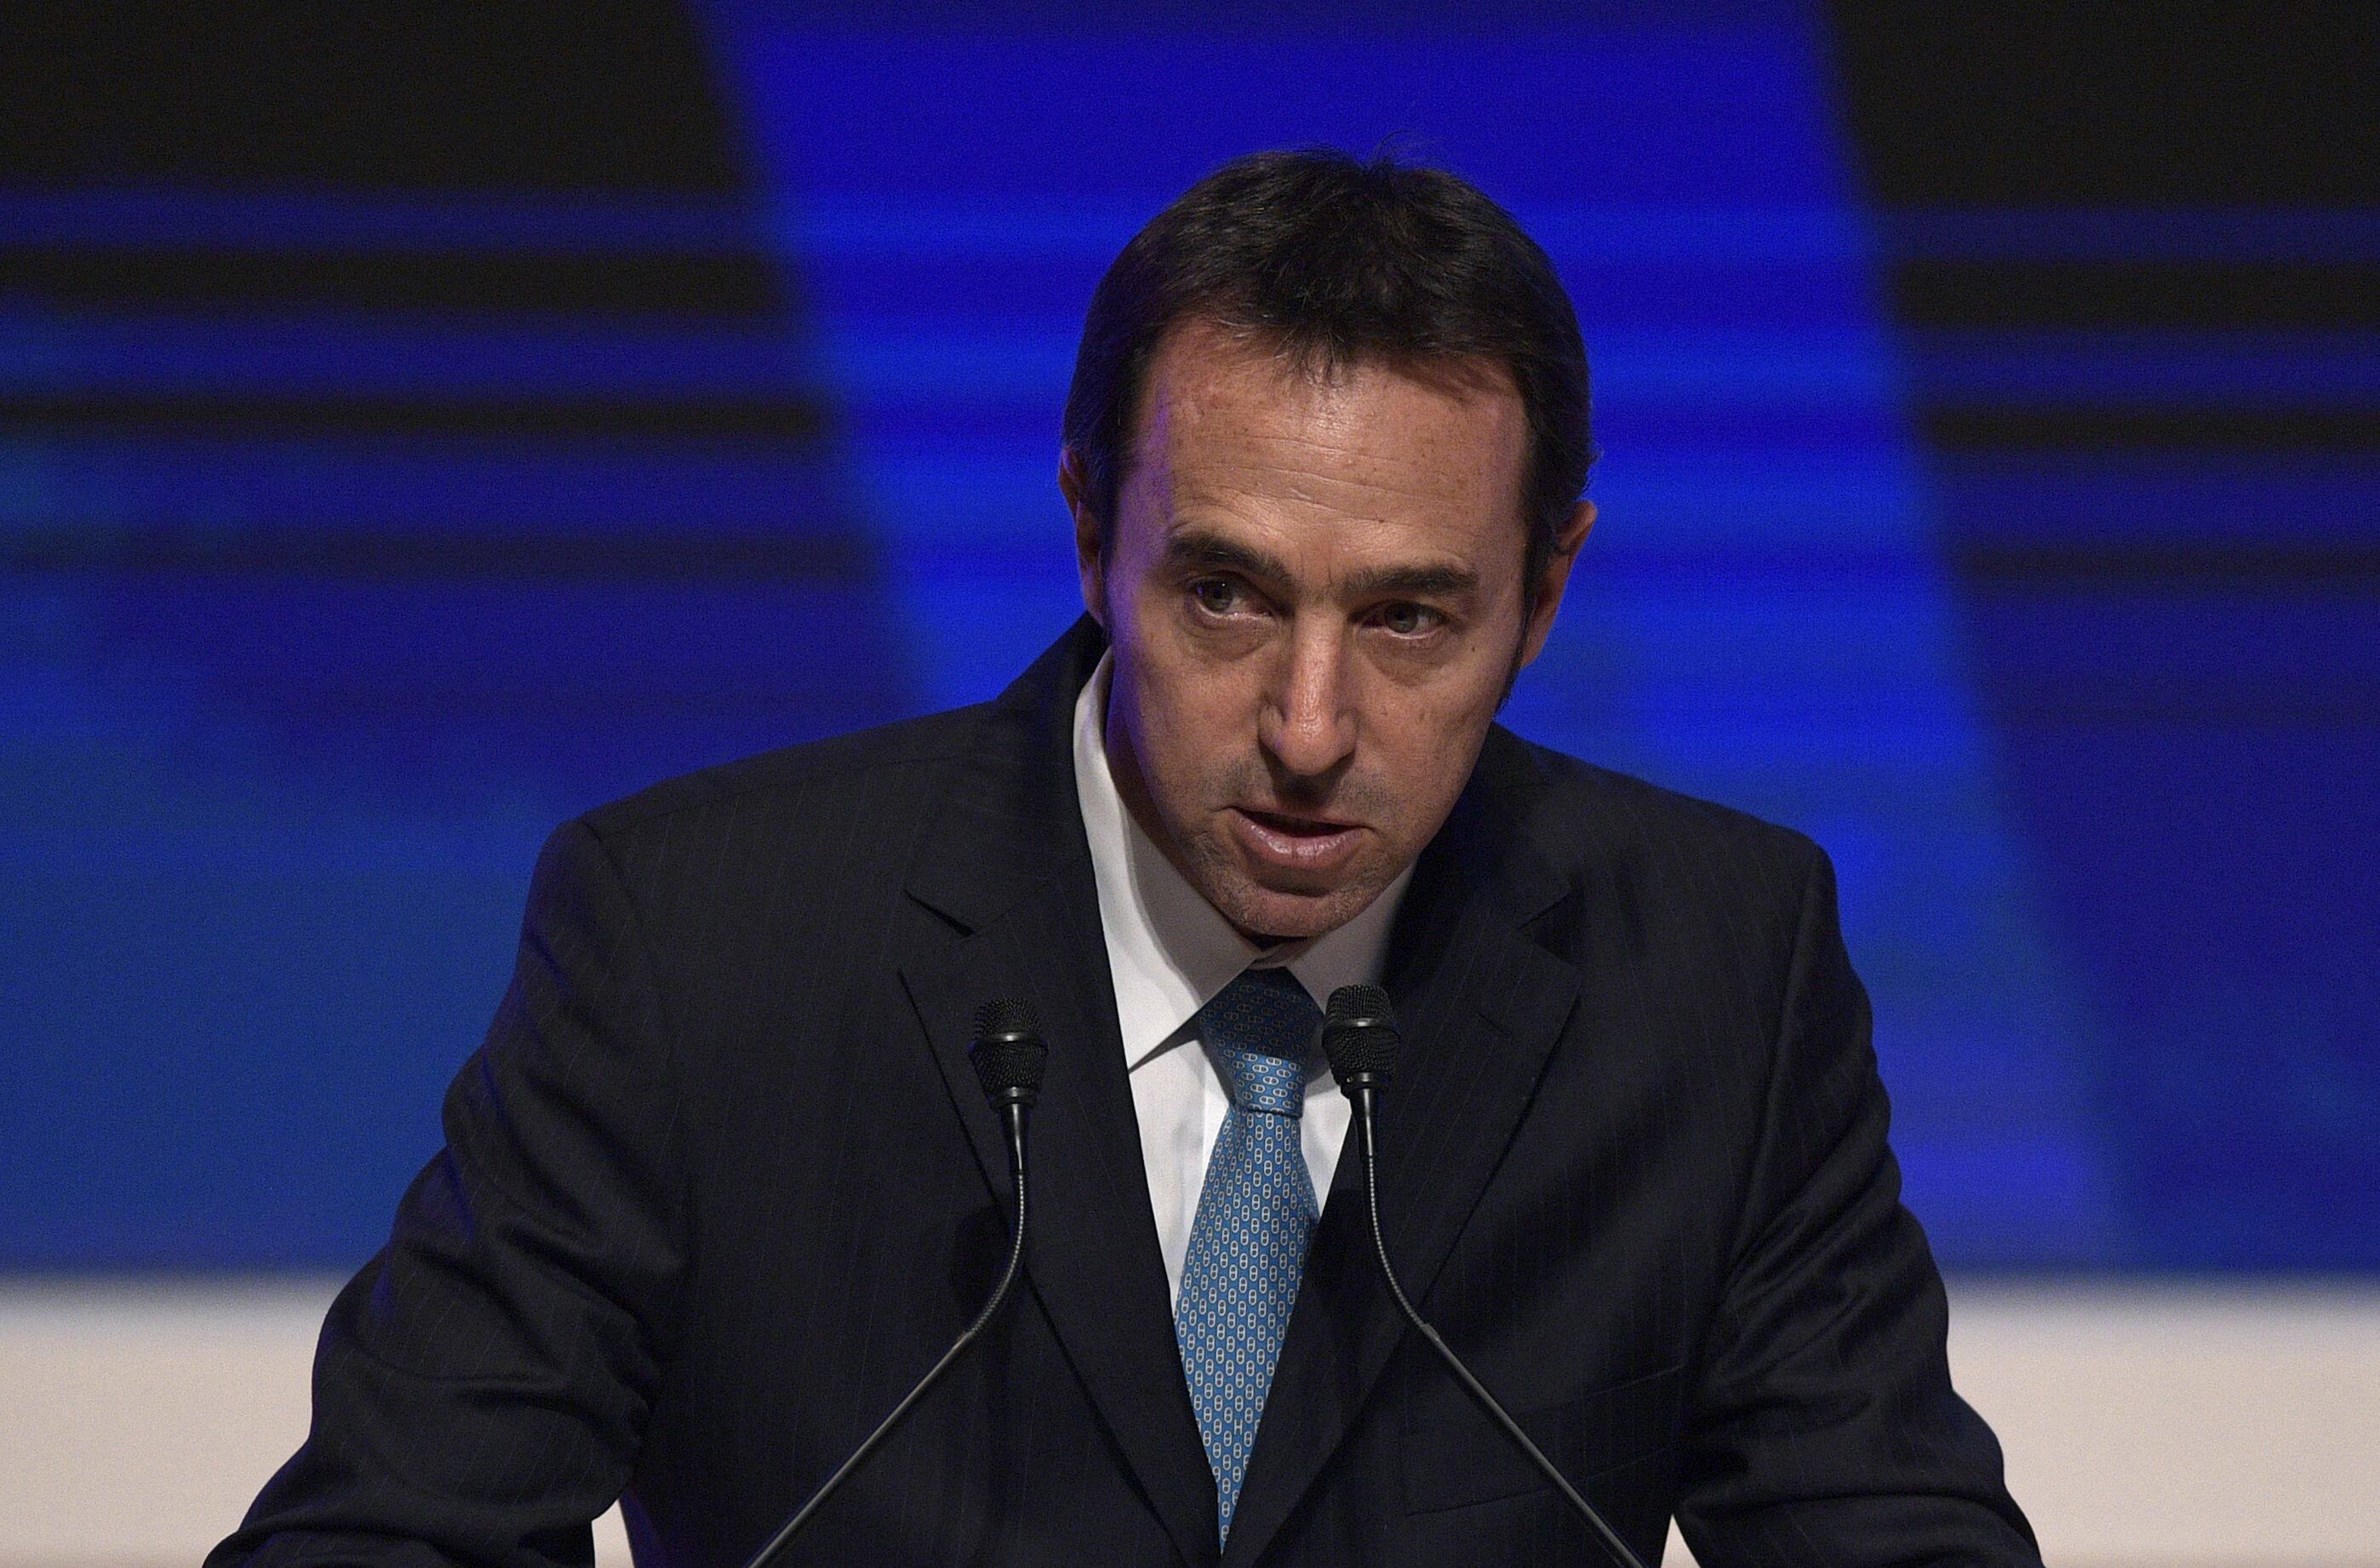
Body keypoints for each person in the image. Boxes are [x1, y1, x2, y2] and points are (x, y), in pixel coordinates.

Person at [212, 150, 2040, 1568]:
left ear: (1547, 591)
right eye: (1228, 593)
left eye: (1410, 620)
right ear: (1094, 529)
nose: (1311, 728)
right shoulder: (704, 949)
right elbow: (381, 1533)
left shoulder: (1715, 967)